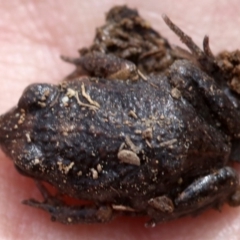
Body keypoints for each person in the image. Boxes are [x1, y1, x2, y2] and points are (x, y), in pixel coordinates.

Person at [0, 1, 239, 239]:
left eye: (34, 97)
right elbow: (124, 69)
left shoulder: (72, 177)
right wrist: (86, 62)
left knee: (162, 205)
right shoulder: (72, 110)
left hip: (190, 137)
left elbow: (103, 213)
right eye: (28, 162)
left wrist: (59, 212)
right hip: (186, 142)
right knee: (183, 71)